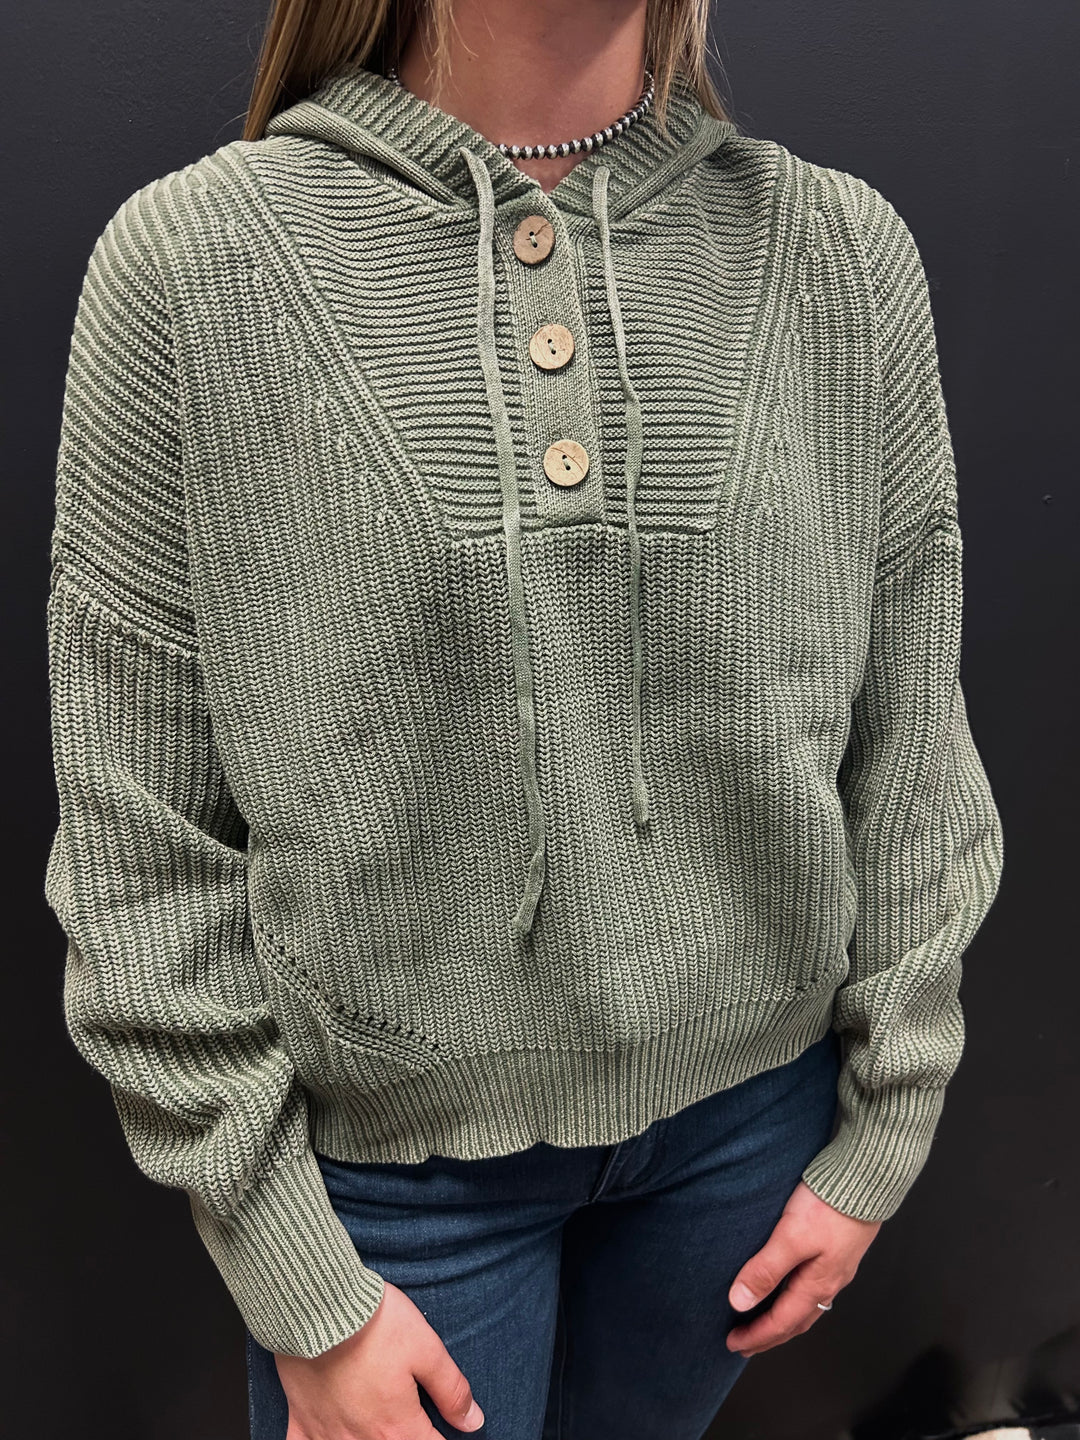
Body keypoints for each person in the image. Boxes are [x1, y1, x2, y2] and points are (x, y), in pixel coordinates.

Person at [43, 0, 1005, 1436]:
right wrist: (296, 1273)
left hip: (752, 1139)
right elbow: (137, 831)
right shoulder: (193, 265)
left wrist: (888, 1123)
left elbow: (913, 734)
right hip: (391, 1192)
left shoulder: (842, 255)